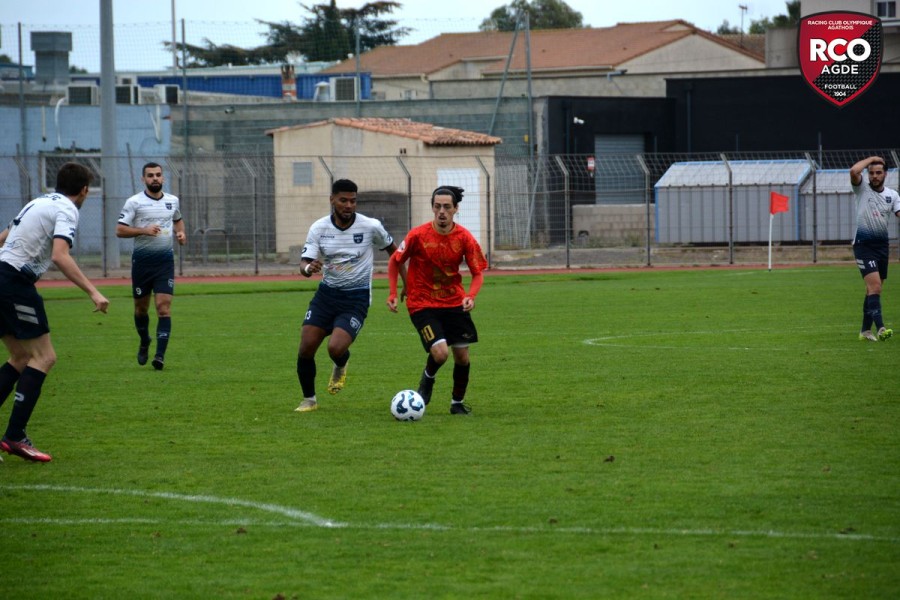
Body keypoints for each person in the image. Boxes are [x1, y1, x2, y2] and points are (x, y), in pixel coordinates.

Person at [0, 162, 110, 462]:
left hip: (2, 276)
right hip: (14, 283)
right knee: (44, 357)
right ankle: (15, 436)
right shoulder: (67, 210)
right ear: (84, 190)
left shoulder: (38, 201)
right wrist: (93, 291)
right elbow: (60, 256)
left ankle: (13, 434)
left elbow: (5, 236)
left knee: (21, 357)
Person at [295, 179, 405, 412]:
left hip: (355, 298)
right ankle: (309, 400)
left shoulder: (370, 226)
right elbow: (304, 263)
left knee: (335, 348)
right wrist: (308, 269)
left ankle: (341, 363)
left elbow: (396, 253)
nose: (348, 205)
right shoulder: (319, 228)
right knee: (306, 347)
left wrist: (407, 283)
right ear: (332, 200)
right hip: (326, 296)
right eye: (343, 200)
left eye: (353, 201)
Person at [387, 186, 487, 415]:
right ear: (432, 207)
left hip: (454, 302)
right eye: (437, 206)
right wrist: (393, 293)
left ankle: (457, 403)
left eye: (447, 207)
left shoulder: (464, 238)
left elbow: (478, 273)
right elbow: (395, 261)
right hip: (422, 303)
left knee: (462, 357)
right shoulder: (418, 235)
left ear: (455, 209)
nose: (441, 211)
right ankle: (427, 380)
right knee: (441, 353)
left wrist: (470, 296)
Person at [116, 162, 186, 370]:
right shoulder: (134, 202)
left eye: (158, 175)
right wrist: (144, 230)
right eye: (150, 175)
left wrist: (181, 234)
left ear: (163, 178)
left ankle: (160, 356)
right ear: (143, 179)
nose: (154, 178)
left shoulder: (172, 201)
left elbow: (178, 220)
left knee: (163, 308)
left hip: (165, 263)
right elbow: (120, 230)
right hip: (142, 264)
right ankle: (145, 340)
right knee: (141, 309)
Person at [849, 156, 900, 342]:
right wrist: (871, 159)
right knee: (875, 286)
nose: (875, 176)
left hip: (881, 247)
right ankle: (880, 328)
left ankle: (865, 331)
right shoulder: (861, 189)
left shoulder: (892, 195)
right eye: (871, 173)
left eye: (878, 173)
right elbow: (854, 171)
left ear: (885, 174)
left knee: (873, 289)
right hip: (863, 245)